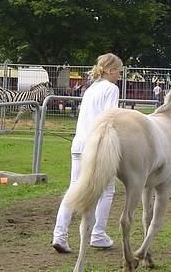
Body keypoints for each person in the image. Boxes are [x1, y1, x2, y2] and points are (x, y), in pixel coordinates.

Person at [52, 53, 122, 253]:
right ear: (110, 70)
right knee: (107, 190)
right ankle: (98, 234)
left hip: (79, 144)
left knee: (74, 188)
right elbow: (110, 119)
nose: (119, 74)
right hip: (97, 146)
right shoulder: (111, 89)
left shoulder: (91, 88)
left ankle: (60, 234)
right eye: (118, 70)